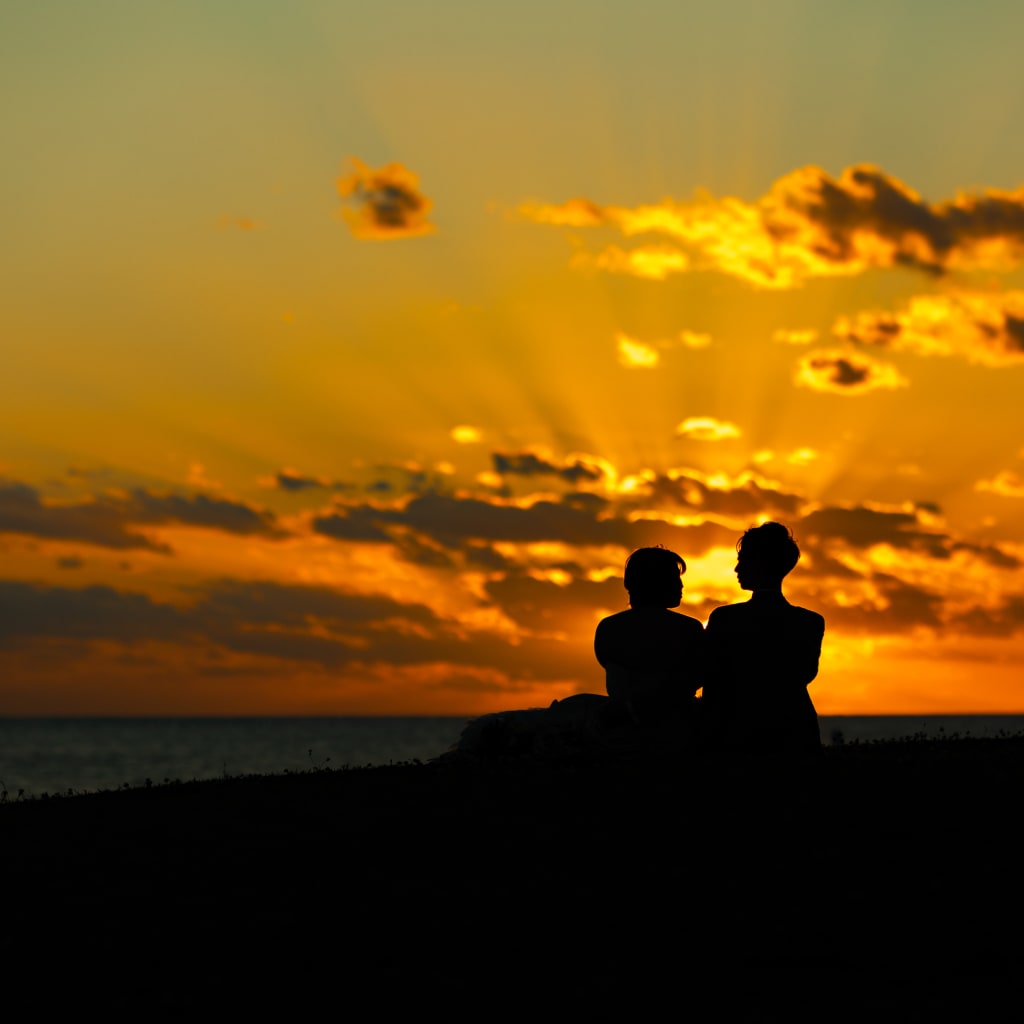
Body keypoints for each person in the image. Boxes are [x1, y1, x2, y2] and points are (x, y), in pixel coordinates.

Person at [702, 522, 825, 753]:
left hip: (738, 731)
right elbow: (805, 674)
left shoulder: (725, 618)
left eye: (742, 560)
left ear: (759, 563)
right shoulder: (810, 621)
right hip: (795, 730)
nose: (737, 569)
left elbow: (712, 680)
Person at [593, 545, 705, 731]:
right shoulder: (689, 628)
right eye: (675, 578)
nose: (681, 585)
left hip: (623, 727)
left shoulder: (609, 628)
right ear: (657, 582)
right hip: (676, 728)